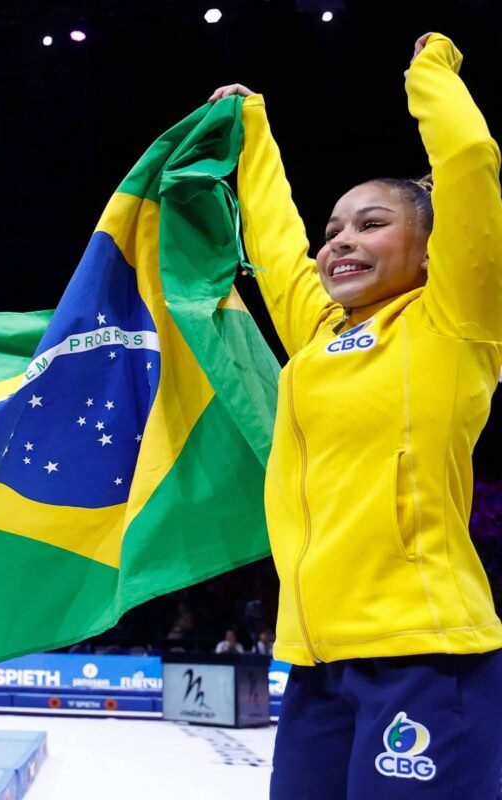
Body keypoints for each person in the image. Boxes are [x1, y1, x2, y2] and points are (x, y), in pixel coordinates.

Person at [208, 31, 502, 798]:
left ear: (432, 250)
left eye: (371, 224)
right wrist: (252, 130)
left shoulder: (455, 321)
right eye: (336, 229)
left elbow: (469, 162)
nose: (340, 241)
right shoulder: (319, 336)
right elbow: (274, 242)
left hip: (425, 656)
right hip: (317, 661)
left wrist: (431, 67)